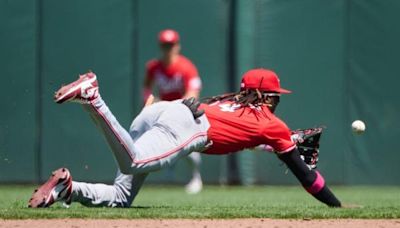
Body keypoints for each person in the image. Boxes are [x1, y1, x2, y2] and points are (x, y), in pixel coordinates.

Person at [28, 68, 342, 208]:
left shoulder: (230, 104)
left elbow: (240, 136)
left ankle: (67, 188)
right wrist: (335, 204)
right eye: (275, 96)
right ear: (263, 95)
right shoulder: (271, 123)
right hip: (187, 126)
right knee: (135, 161)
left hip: (163, 109)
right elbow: (306, 176)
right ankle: (93, 97)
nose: (277, 102)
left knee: (121, 197)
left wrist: (283, 143)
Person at [143, 29, 203, 194]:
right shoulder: (153, 67)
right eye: (165, 45)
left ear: (177, 46)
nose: (168, 49)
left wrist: (176, 107)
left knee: (189, 150)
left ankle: (196, 177)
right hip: (162, 111)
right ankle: (167, 169)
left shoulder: (186, 67)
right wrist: (151, 102)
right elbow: (146, 88)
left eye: (171, 45)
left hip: (182, 110)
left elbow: (193, 93)